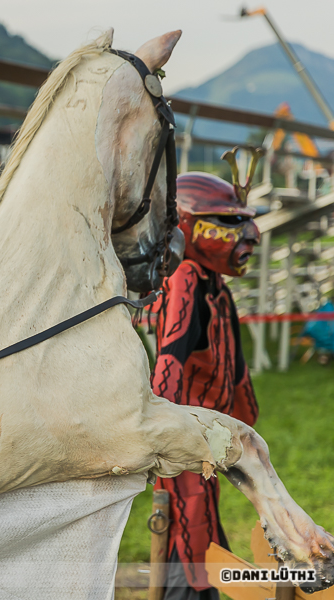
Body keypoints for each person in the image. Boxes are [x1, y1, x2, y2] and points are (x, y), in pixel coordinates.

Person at [152, 170, 260, 600]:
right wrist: (163, 431)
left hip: (212, 440)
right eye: (230, 221)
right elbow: (170, 358)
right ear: (188, 223)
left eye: (245, 220)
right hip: (186, 441)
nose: (249, 234)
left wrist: (248, 434)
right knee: (191, 527)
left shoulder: (217, 286)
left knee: (206, 524)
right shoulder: (186, 280)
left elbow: (236, 372)